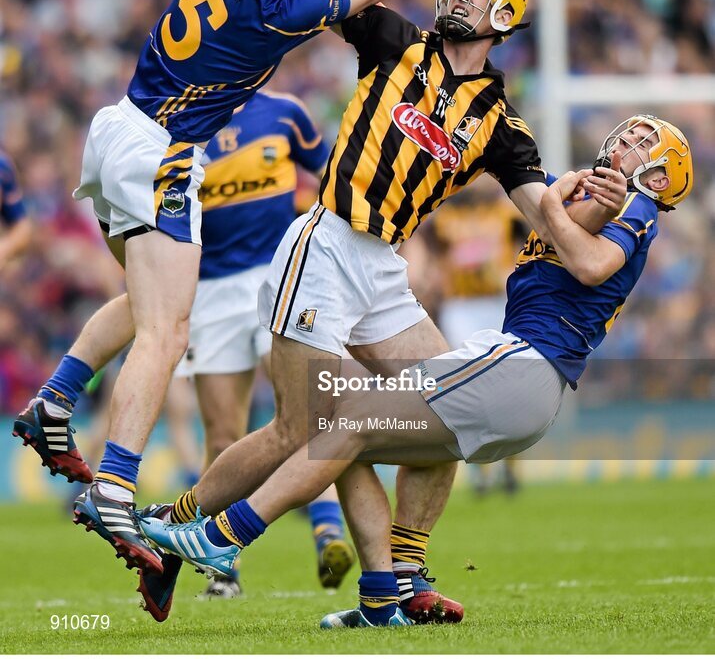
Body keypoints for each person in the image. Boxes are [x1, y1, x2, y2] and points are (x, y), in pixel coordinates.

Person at [12, 0, 480, 576]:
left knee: (144, 303)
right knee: (170, 331)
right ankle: (116, 486)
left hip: (117, 125)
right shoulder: (291, 10)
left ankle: (56, 401)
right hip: (163, 150)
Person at [146, 0, 628, 624]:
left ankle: (396, 580)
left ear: (505, 15)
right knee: (301, 428)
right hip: (325, 245)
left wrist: (593, 202)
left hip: (382, 270)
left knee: (446, 414)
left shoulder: (499, 123)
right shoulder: (392, 38)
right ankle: (176, 526)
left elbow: (549, 219)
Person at [141, 114, 693, 629]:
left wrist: (553, 196)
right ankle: (391, 589)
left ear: (663, 176)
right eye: (627, 135)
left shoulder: (638, 209)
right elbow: (557, 216)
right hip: (520, 382)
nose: (627, 146)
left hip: (520, 366)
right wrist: (547, 185)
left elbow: (591, 263)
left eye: (645, 146)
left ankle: (222, 535)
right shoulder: (589, 201)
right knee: (338, 429)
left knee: (339, 427)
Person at [155, 89, 354, 616]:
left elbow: (335, 179)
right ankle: (224, 566)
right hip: (214, 290)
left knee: (308, 416)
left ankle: (327, 530)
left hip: (281, 274)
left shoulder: (286, 111)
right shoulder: (182, 120)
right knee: (223, 432)